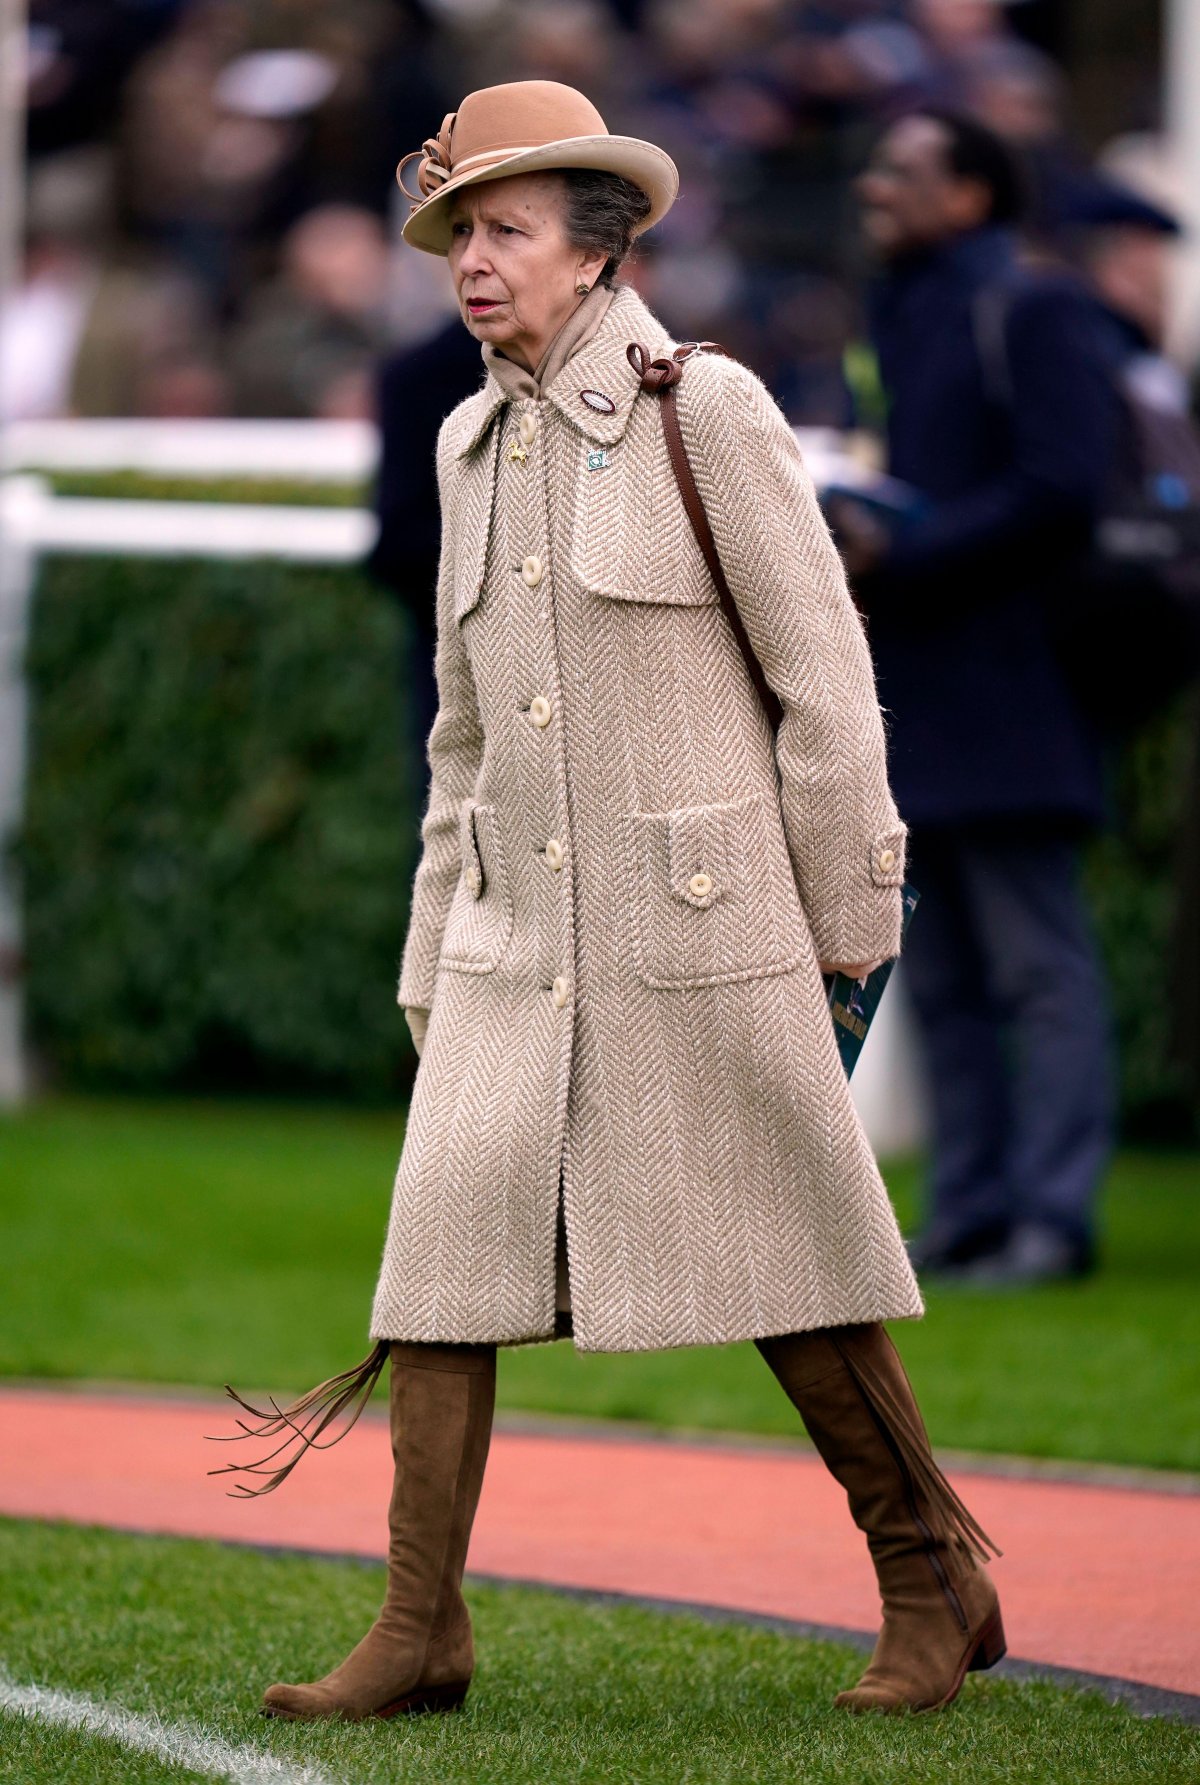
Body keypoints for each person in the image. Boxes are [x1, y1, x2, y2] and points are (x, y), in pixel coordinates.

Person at [215, 79, 1003, 1722]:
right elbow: (463, 730)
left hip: (698, 931)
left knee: (796, 1270)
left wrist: (855, 906)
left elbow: (826, 681)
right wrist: (435, 945)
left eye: (502, 232)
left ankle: (936, 1577)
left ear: (596, 245)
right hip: (509, 937)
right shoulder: (464, 435)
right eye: (457, 237)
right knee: (434, 1270)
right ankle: (419, 1632)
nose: (471, 264)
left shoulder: (702, 408)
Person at [836, 109, 1121, 1287]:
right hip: (917, 696)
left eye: (903, 171)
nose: (873, 187)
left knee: (1036, 971)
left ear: (971, 196)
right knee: (943, 975)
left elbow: (1066, 486)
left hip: (1013, 690)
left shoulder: (1036, 308)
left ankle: (1052, 1222)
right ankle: (969, 1217)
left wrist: (908, 552)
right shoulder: (898, 315)